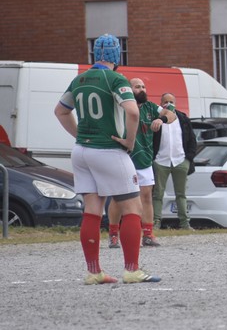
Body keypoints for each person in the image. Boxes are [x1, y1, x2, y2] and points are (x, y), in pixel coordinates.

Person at [53, 33, 160, 284]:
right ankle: (132, 269)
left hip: (81, 151)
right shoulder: (115, 79)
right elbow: (133, 112)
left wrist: (80, 134)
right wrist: (130, 142)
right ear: (116, 54)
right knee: (132, 207)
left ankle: (94, 272)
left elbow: (60, 111)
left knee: (92, 209)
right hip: (109, 149)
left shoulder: (79, 79)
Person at [108, 77, 176, 248]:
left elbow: (172, 112)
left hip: (144, 158)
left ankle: (148, 234)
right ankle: (113, 234)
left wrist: (162, 119)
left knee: (146, 196)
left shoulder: (150, 107)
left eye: (144, 86)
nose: (142, 89)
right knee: (118, 197)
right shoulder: (120, 107)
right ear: (129, 90)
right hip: (123, 157)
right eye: (137, 87)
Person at [151, 92, 197, 230]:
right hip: (161, 161)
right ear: (161, 103)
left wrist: (188, 158)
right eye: (165, 101)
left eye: (171, 101)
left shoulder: (182, 118)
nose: (168, 104)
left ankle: (184, 223)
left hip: (180, 161)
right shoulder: (157, 119)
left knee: (181, 194)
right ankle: (156, 222)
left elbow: (192, 139)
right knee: (157, 194)